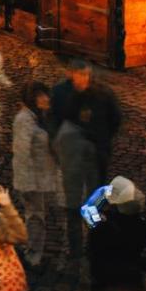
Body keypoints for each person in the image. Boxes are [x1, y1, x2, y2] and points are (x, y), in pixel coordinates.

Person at [11, 81, 63, 269]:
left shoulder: (40, 117)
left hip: (44, 177)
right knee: (35, 216)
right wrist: (25, 183)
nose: (46, 99)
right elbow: (21, 152)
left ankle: (34, 250)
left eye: (46, 95)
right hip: (31, 181)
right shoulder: (24, 120)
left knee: (39, 215)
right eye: (41, 96)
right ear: (32, 99)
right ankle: (33, 254)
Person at [49, 60, 122, 184]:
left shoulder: (103, 93)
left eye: (86, 74)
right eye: (81, 74)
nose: (85, 78)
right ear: (70, 74)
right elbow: (57, 117)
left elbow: (115, 118)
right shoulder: (60, 92)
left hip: (97, 147)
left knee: (97, 182)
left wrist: (104, 138)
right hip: (73, 147)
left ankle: (97, 203)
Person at [56, 107, 99, 262]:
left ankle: (81, 249)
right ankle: (74, 250)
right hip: (74, 183)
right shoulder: (69, 133)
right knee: (74, 220)